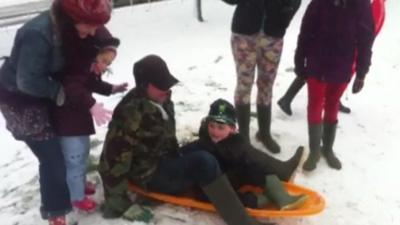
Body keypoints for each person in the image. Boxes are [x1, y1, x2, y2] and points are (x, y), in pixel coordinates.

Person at [98, 55, 275, 225]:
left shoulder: (160, 99)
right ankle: (242, 222)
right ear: (144, 85)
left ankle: (265, 175)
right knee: (204, 162)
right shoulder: (130, 114)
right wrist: (120, 205)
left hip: (167, 157)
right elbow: (111, 160)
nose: (166, 90)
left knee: (209, 145)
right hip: (150, 174)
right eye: (161, 86)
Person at [0, 0, 113, 224]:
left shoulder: (73, 23)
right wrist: (62, 91)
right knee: (52, 158)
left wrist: (105, 52)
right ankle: (55, 210)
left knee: (65, 144)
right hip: (22, 100)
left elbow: (100, 31)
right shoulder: (38, 33)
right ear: (70, 18)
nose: (92, 31)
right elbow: (28, 81)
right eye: (88, 26)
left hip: (46, 93)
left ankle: (74, 184)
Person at [293, 0, 375, 171]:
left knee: (332, 105)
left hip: (342, 64)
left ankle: (328, 149)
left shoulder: (361, 5)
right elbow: (305, 32)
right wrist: (299, 60)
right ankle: (314, 151)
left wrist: (361, 73)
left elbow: (366, 40)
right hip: (317, 62)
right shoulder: (319, 3)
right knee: (315, 104)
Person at [51, 28, 128, 213]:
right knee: (74, 159)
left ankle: (79, 184)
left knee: (83, 154)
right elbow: (74, 88)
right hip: (68, 124)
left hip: (78, 122)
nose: (104, 66)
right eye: (103, 61)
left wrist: (113, 89)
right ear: (93, 54)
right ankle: (76, 197)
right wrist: (92, 104)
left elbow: (93, 84)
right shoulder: (75, 69)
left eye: (108, 63)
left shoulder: (88, 70)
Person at [181, 98, 307, 210]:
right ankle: (258, 200)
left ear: (232, 129)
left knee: (253, 166)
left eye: (221, 128)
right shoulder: (205, 142)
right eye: (212, 126)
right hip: (212, 188)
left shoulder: (233, 142)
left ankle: (283, 198)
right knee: (217, 193)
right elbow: (186, 152)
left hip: (227, 175)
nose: (215, 131)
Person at [277, 0, 386, 116]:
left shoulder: (378, 3)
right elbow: (368, 28)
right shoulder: (376, 4)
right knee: (317, 69)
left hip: (342, 38)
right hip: (339, 39)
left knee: (316, 69)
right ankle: (290, 99)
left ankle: (288, 98)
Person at [221, 0, 301, 153]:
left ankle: (264, 133)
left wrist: (286, 16)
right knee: (244, 85)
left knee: (266, 86)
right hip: (244, 34)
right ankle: (243, 138)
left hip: (273, 35)